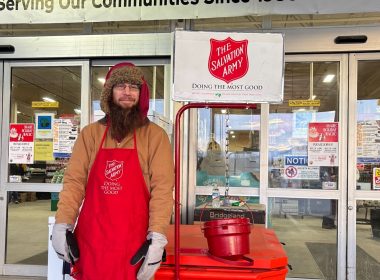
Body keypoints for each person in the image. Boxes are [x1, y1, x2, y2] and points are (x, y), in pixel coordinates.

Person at [52, 62, 175, 280]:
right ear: (110, 93)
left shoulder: (155, 137)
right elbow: (74, 182)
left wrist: (157, 237)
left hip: (134, 244)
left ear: (141, 93)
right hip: (92, 241)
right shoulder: (90, 134)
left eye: (133, 87)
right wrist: (63, 223)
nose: (127, 92)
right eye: (120, 86)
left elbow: (162, 191)